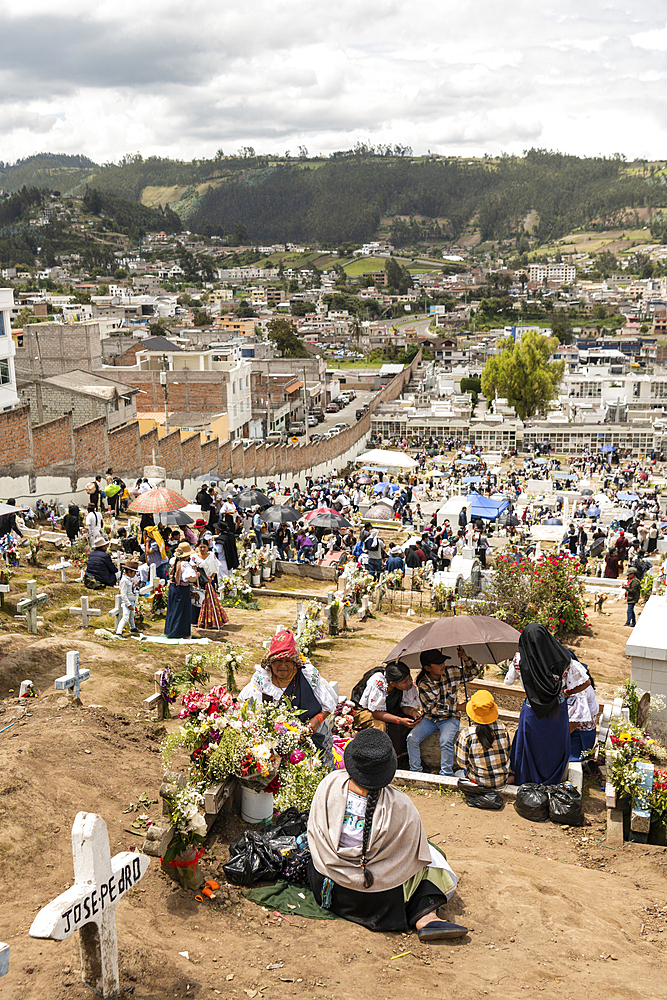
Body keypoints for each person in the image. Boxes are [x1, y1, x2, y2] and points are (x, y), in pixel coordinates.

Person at [306, 729, 467, 940]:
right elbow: (413, 853)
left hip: (331, 889)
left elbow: (314, 835)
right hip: (377, 900)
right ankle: (425, 917)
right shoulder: (401, 805)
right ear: (388, 767)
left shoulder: (329, 785)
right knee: (431, 858)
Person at [239, 629, 337, 762]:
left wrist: (317, 720)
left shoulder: (308, 675)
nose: (283, 665)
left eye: (288, 661)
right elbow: (248, 710)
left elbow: (328, 704)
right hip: (273, 744)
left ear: (295, 662)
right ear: (270, 662)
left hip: (313, 739)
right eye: (278, 660)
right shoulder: (262, 680)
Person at [509, 622, 571, 786]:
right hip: (558, 709)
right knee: (555, 745)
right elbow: (584, 681)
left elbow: (507, 681)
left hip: (533, 709)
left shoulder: (519, 659)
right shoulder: (562, 657)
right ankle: (553, 780)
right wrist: (565, 692)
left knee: (531, 745)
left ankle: (526, 779)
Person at [407, 649, 478, 777]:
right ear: (427, 668)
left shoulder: (451, 671)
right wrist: (459, 707)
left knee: (445, 741)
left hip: (450, 718)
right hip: (430, 718)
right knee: (412, 739)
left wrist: (466, 658)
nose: (442, 665)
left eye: (442, 661)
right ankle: (415, 771)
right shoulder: (423, 683)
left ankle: (446, 774)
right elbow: (433, 709)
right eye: (438, 663)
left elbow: (472, 674)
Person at [351, 661, 421, 759]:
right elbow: (376, 713)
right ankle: (380, 758)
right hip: (366, 710)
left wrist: (412, 712)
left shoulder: (404, 682)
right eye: (405, 682)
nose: (409, 683)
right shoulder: (378, 682)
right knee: (380, 727)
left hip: (388, 709)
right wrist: (400, 720)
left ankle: (401, 757)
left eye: (409, 678)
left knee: (407, 722)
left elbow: (404, 705)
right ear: (392, 683)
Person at [453, 691, 510, 788]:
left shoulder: (467, 734)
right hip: (501, 781)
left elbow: (462, 763)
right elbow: (507, 753)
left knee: (458, 773)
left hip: (478, 782)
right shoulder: (503, 728)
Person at [164, 542, 197, 639]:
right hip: (182, 588)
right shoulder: (186, 565)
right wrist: (196, 575)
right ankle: (180, 632)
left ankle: (170, 630)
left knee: (173, 609)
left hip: (173, 587)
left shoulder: (174, 561)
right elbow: (190, 577)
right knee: (183, 611)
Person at [193, 540, 229, 629]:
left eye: (204, 547)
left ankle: (210, 620)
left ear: (207, 547)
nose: (202, 549)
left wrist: (211, 578)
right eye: (200, 547)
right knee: (198, 600)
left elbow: (216, 567)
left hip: (209, 581)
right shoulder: (194, 557)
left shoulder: (211, 556)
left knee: (209, 601)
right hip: (198, 582)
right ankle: (196, 620)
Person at [116, 560, 140, 637]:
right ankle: (118, 632)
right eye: (134, 572)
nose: (135, 574)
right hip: (127, 601)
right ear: (129, 571)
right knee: (125, 616)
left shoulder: (130, 579)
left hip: (132, 599)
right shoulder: (124, 580)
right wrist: (128, 604)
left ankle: (132, 627)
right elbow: (123, 594)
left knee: (131, 615)